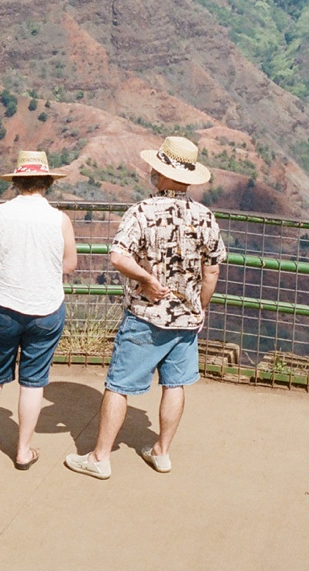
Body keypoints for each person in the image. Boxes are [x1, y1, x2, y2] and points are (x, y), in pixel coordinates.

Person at [66, 134, 226, 479]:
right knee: (175, 384)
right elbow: (211, 270)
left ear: (163, 174)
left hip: (145, 316)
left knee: (119, 386)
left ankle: (99, 458)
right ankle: (161, 452)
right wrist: (199, 308)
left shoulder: (141, 212)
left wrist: (149, 280)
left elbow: (117, 256)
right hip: (186, 320)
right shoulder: (205, 217)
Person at [0, 150, 78, 469]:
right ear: (47, 183)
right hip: (45, 308)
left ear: (16, 182)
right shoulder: (60, 220)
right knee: (34, 381)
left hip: (2, 306)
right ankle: (23, 450)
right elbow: (69, 265)